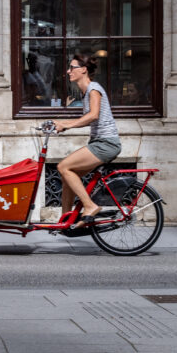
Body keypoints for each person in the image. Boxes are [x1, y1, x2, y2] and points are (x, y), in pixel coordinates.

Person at [52, 54, 122, 227]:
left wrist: (66, 126)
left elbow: (93, 115)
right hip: (99, 143)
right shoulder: (85, 92)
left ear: (83, 70)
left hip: (106, 144)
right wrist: (62, 123)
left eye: (72, 67)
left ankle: (90, 206)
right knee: (68, 177)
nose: (68, 71)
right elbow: (87, 118)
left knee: (63, 166)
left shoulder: (93, 89)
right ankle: (66, 220)